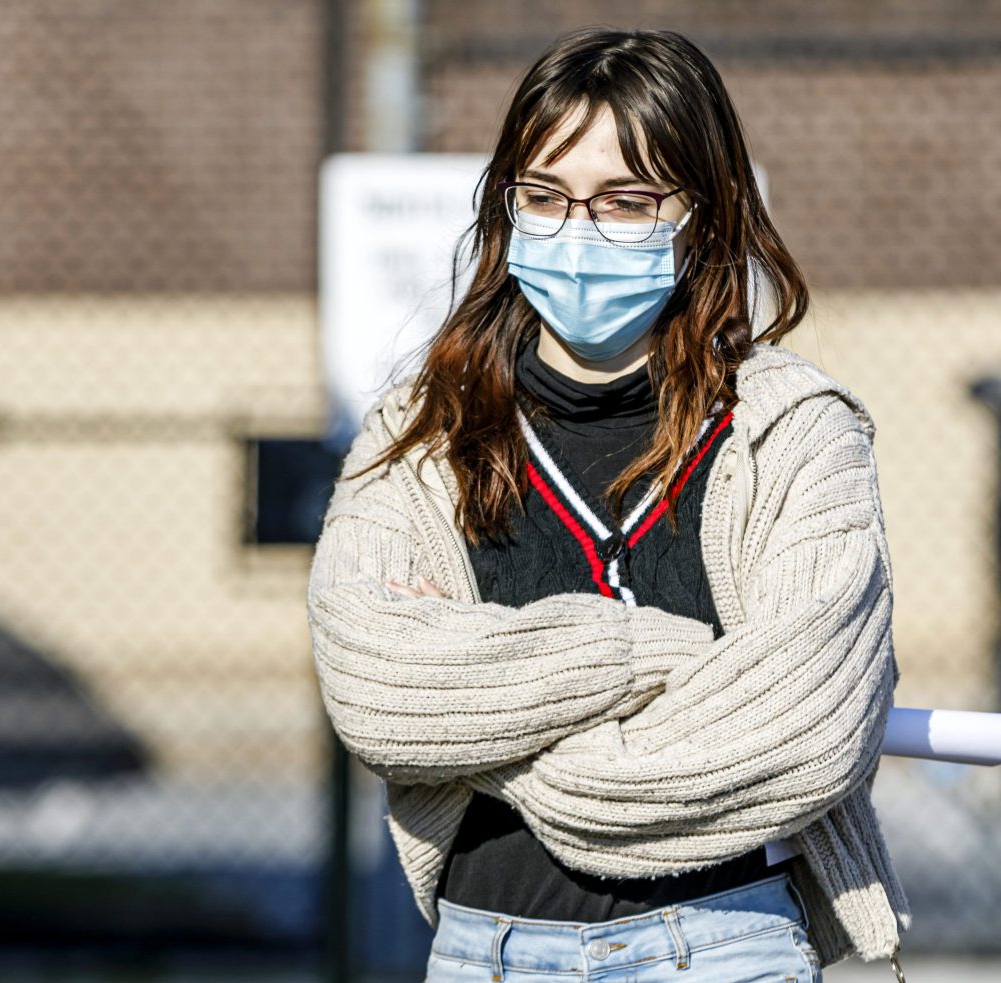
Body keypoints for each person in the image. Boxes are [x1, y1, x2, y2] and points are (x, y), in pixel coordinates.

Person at [308, 27, 910, 982]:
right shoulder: (419, 432)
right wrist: (654, 656)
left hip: (722, 947)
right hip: (484, 952)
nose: (577, 233)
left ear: (703, 216)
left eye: (626, 202)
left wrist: (512, 737)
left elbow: (809, 721)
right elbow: (379, 683)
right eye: (544, 198)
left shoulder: (794, 431)